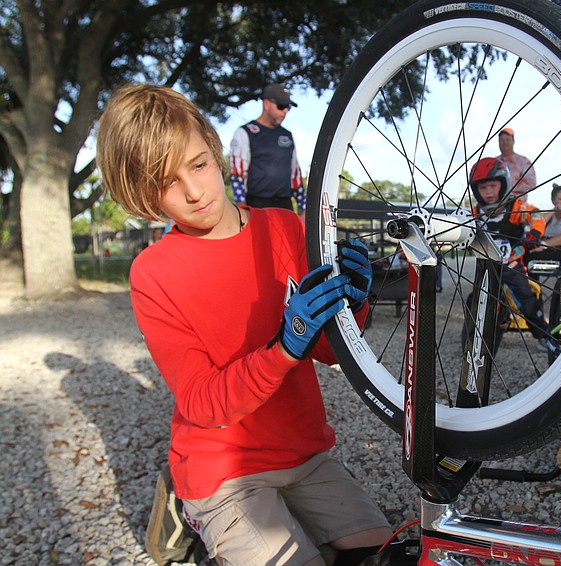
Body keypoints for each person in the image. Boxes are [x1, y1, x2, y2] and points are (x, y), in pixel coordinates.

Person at [96, 84, 391, 566]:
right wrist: (282, 349)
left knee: (384, 555)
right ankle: (187, 501)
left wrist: (354, 307)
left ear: (216, 152)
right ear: (140, 192)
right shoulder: (152, 273)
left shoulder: (287, 229)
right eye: (166, 182)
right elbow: (200, 402)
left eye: (197, 165)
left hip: (304, 452)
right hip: (222, 468)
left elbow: (328, 352)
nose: (193, 192)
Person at [469, 156, 551, 352]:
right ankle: (476, 338)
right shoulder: (474, 213)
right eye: (483, 188)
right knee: (474, 301)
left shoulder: (515, 207)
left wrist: (534, 234)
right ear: (476, 191)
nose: (488, 192)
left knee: (527, 300)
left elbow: (536, 215)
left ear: (503, 183)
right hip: (488, 266)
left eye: (492, 186)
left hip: (513, 263)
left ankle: (544, 336)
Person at [230, 84, 305, 213]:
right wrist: (242, 208)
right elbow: (237, 175)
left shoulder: (287, 135)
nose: (285, 111)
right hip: (257, 205)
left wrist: (304, 207)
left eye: (288, 107)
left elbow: (295, 174)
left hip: (284, 205)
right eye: (281, 106)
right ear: (266, 104)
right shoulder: (246, 132)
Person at [498, 128, 537, 200]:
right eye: (502, 140)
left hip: (518, 206)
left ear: (513, 142)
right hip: (497, 207)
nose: (504, 142)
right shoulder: (494, 162)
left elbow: (532, 184)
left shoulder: (524, 162)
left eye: (508, 139)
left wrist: (506, 187)